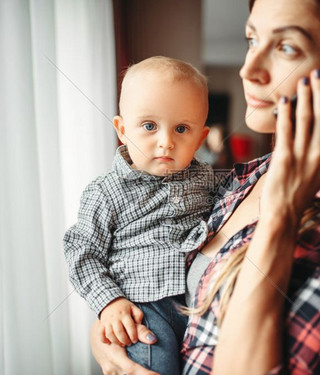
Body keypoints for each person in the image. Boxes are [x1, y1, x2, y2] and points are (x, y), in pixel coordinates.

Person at [90, 0, 320, 374]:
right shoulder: (241, 180)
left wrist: (281, 217)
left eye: (287, 47)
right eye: (252, 39)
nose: (249, 70)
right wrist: (109, 328)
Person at [64, 56, 215, 375]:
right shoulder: (106, 191)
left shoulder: (207, 180)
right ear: (122, 129)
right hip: (141, 309)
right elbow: (82, 253)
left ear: (200, 138)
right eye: (149, 126)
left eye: (181, 129)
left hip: (197, 306)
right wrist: (109, 302)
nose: (166, 141)